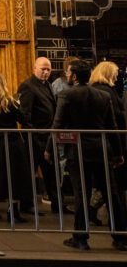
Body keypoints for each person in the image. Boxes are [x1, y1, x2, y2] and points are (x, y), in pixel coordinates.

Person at [54, 60, 126, 251]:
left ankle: (81, 237)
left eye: (70, 74)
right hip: (102, 149)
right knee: (111, 193)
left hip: (77, 151)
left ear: (75, 76)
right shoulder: (103, 96)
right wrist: (118, 152)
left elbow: (57, 125)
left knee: (81, 194)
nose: (68, 76)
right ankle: (120, 237)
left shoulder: (66, 95)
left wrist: (50, 149)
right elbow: (112, 127)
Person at [0, 72, 31, 223]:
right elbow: (24, 120)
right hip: (13, 143)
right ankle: (13, 211)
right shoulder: (10, 103)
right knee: (15, 176)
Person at [17, 56, 61, 214]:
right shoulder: (28, 86)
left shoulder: (48, 85)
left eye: (49, 69)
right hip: (35, 137)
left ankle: (57, 203)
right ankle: (26, 204)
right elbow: (25, 115)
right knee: (29, 172)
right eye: (43, 69)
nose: (46, 72)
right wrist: (35, 134)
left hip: (48, 136)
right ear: (34, 68)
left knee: (52, 173)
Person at [89, 61, 127, 227]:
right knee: (113, 184)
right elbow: (115, 121)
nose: (118, 77)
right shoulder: (107, 93)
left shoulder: (96, 89)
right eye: (116, 74)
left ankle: (93, 211)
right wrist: (119, 151)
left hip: (100, 145)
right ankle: (117, 223)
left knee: (107, 183)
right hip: (110, 144)